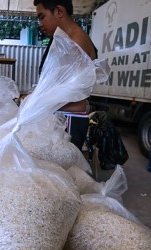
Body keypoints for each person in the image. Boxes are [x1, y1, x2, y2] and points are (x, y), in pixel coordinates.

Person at [34, 0, 97, 151]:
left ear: (59, 12)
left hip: (69, 121)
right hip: (61, 116)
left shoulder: (76, 43)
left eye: (42, 17)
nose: (40, 23)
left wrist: (35, 102)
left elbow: (73, 99)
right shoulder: (62, 39)